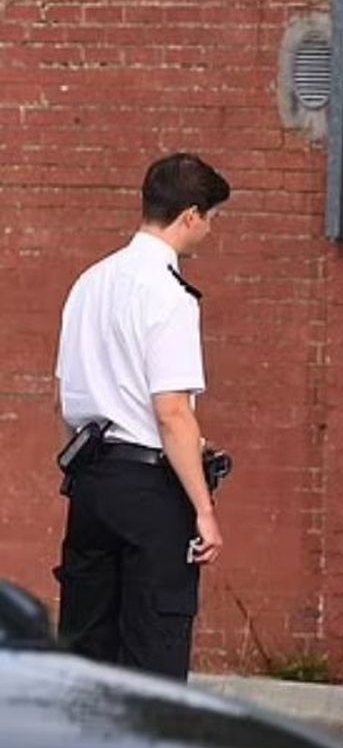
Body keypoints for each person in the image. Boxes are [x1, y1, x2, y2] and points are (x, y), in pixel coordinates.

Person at [53, 153, 230, 680]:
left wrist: (82, 473)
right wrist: (203, 509)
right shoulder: (170, 295)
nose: (210, 232)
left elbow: (64, 399)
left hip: (90, 483)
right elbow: (172, 412)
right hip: (150, 490)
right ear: (191, 215)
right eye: (212, 218)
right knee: (152, 661)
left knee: (87, 654)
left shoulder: (89, 282)